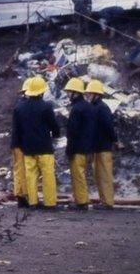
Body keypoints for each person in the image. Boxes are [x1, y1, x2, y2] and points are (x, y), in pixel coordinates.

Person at [12, 76, 60, 210]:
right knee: (48, 175)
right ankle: (50, 203)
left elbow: (17, 129)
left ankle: (33, 202)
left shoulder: (19, 108)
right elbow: (54, 126)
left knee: (31, 176)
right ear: (42, 91)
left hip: (28, 148)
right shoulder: (46, 107)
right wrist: (55, 135)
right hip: (44, 147)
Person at [64, 78, 96, 211]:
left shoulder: (76, 109)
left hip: (78, 148)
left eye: (69, 92)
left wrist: (69, 150)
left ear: (75, 93)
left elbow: (72, 132)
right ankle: (81, 200)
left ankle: (82, 202)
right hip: (88, 148)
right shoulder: (89, 107)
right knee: (82, 175)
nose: (67, 94)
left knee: (78, 176)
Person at [85, 79, 116, 209]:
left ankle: (108, 202)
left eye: (90, 94)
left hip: (103, 147)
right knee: (99, 176)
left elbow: (109, 127)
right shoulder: (95, 107)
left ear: (97, 94)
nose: (87, 96)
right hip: (97, 147)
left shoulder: (102, 108)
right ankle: (104, 201)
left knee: (105, 176)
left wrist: (115, 140)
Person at [10, 78, 32, 208]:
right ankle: (22, 195)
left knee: (19, 170)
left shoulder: (20, 106)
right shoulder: (24, 107)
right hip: (21, 144)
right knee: (21, 170)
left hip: (18, 143)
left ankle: (21, 194)